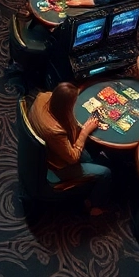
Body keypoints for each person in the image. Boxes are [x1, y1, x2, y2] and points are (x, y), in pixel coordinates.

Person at [29, 82, 113, 215]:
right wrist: (85, 131)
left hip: (47, 151)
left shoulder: (42, 97)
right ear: (66, 106)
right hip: (57, 166)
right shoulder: (55, 131)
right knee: (106, 172)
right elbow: (73, 158)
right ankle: (95, 205)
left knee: (91, 158)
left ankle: (89, 183)